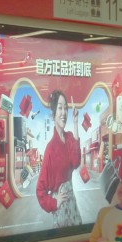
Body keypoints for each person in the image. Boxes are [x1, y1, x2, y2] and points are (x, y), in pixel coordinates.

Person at [36, 90, 82, 227]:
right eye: (60, 108)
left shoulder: (69, 137)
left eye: (65, 108)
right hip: (61, 210)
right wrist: (54, 202)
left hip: (72, 204)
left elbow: (76, 162)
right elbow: (39, 190)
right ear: (54, 112)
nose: (64, 112)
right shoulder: (50, 149)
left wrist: (75, 123)